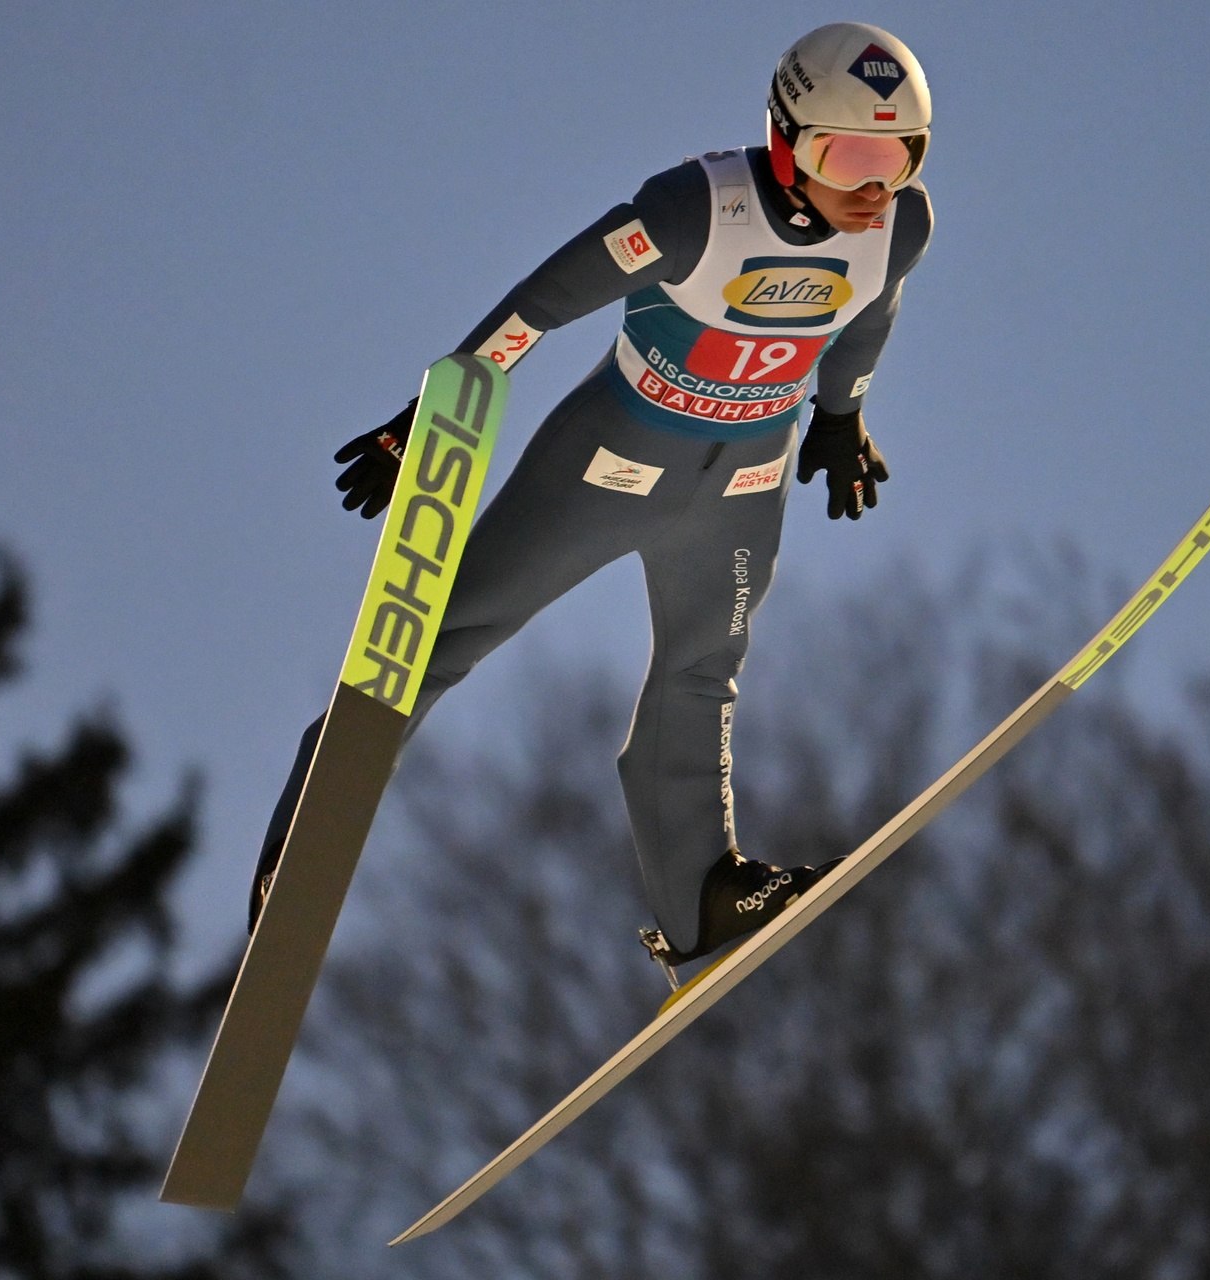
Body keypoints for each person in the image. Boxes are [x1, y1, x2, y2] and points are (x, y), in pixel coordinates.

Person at [255, 21, 935, 974]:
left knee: (705, 669)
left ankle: (702, 895)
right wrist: (432, 407)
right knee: (444, 635)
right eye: (849, 155)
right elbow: (545, 300)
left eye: (901, 157)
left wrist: (840, 417)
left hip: (744, 478)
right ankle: (309, 836)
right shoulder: (696, 210)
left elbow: (872, 311)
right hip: (614, 459)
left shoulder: (901, 224)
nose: (876, 186)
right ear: (787, 141)